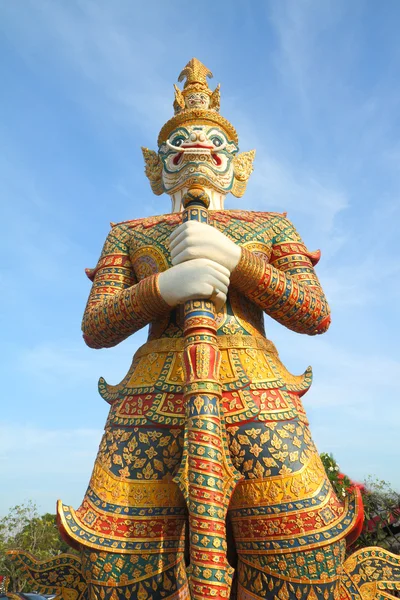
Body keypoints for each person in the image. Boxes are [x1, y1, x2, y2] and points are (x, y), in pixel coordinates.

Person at [57, 59, 364, 600]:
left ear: (236, 166)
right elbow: (97, 326)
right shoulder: (129, 235)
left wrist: (235, 260)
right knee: (123, 570)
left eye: (210, 141)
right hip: (151, 403)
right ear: (158, 166)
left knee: (302, 557)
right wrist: (165, 288)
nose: (194, 146)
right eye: (179, 141)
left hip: (259, 396)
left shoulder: (268, 226)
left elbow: (313, 312)